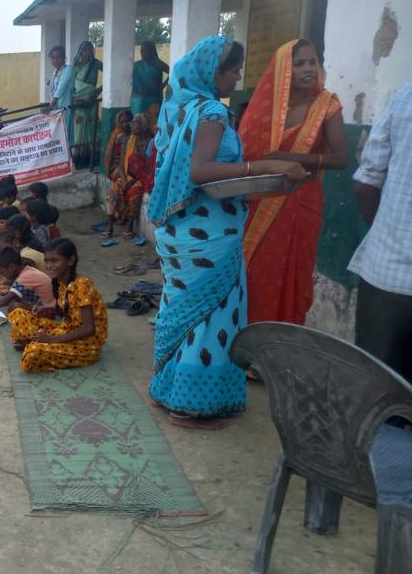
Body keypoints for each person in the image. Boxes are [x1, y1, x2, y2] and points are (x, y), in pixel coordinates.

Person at [147, 35, 306, 429]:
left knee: (183, 307)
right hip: (207, 231)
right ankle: (189, 404)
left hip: (180, 228)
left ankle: (170, 388)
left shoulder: (174, 108)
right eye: (232, 70)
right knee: (210, 314)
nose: (237, 77)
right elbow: (199, 172)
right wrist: (262, 168)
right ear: (211, 73)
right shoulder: (211, 113)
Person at [238, 38, 348, 325]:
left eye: (313, 61)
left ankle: (280, 339)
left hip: (301, 203)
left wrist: (287, 158)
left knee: (290, 275)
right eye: (299, 64)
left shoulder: (327, 105)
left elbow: (341, 158)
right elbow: (245, 153)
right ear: (285, 69)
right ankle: (246, 338)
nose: (308, 68)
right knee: (256, 271)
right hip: (260, 200)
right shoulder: (268, 109)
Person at [348, 80, 412, 380]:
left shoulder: (404, 96)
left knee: (377, 390)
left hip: (386, 273)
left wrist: (386, 232)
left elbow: (365, 184)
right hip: (387, 272)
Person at [8, 238, 108, 372]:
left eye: (54, 260)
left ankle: (34, 344)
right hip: (66, 329)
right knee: (17, 313)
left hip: (85, 343)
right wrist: (48, 311)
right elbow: (67, 313)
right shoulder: (61, 282)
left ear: (70, 261)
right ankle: (35, 341)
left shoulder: (83, 285)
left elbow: (88, 328)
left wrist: (52, 339)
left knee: (31, 355)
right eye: (47, 261)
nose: (49, 266)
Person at [104, 113, 154, 244]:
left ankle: (130, 227)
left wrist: (131, 182)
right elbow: (121, 164)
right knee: (113, 190)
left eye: (135, 123)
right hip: (127, 176)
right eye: (132, 123)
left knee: (135, 193)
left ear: (143, 126)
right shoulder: (128, 141)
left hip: (140, 178)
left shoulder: (150, 142)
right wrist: (124, 180)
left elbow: (147, 168)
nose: (132, 125)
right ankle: (109, 225)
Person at [0, 247, 55, 319]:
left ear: (11, 267)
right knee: (12, 301)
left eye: (3, 272)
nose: (3, 276)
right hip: (38, 305)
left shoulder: (27, 275)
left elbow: (7, 299)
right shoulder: (27, 271)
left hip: (48, 312)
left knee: (15, 306)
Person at [69, 41, 103, 167]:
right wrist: (73, 99)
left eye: (89, 50)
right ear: (80, 51)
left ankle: (93, 159)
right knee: (79, 130)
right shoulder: (75, 66)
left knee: (93, 127)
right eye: (84, 50)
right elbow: (71, 86)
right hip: (77, 102)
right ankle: (79, 159)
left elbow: (110, 75)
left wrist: (98, 90)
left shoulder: (96, 64)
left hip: (91, 100)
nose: (87, 53)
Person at [131, 41, 170, 124]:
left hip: (153, 100)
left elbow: (173, 73)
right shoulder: (137, 65)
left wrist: (162, 86)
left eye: (145, 50)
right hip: (137, 101)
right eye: (141, 51)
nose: (143, 53)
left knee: (152, 123)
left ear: (152, 51)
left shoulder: (158, 64)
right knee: (138, 123)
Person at [104, 109, 133, 178]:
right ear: (118, 123)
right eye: (122, 122)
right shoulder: (119, 135)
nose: (125, 124)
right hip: (117, 166)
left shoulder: (133, 133)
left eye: (128, 121)